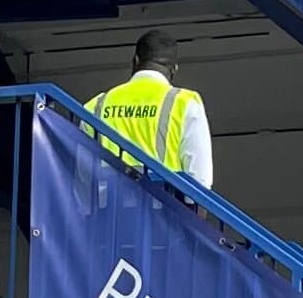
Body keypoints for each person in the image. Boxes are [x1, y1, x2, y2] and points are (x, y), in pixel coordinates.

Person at [86, 34, 213, 186]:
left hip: (107, 206)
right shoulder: (184, 103)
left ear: (135, 61)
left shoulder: (96, 105)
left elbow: (83, 177)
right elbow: (200, 180)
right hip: (163, 205)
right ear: (174, 69)